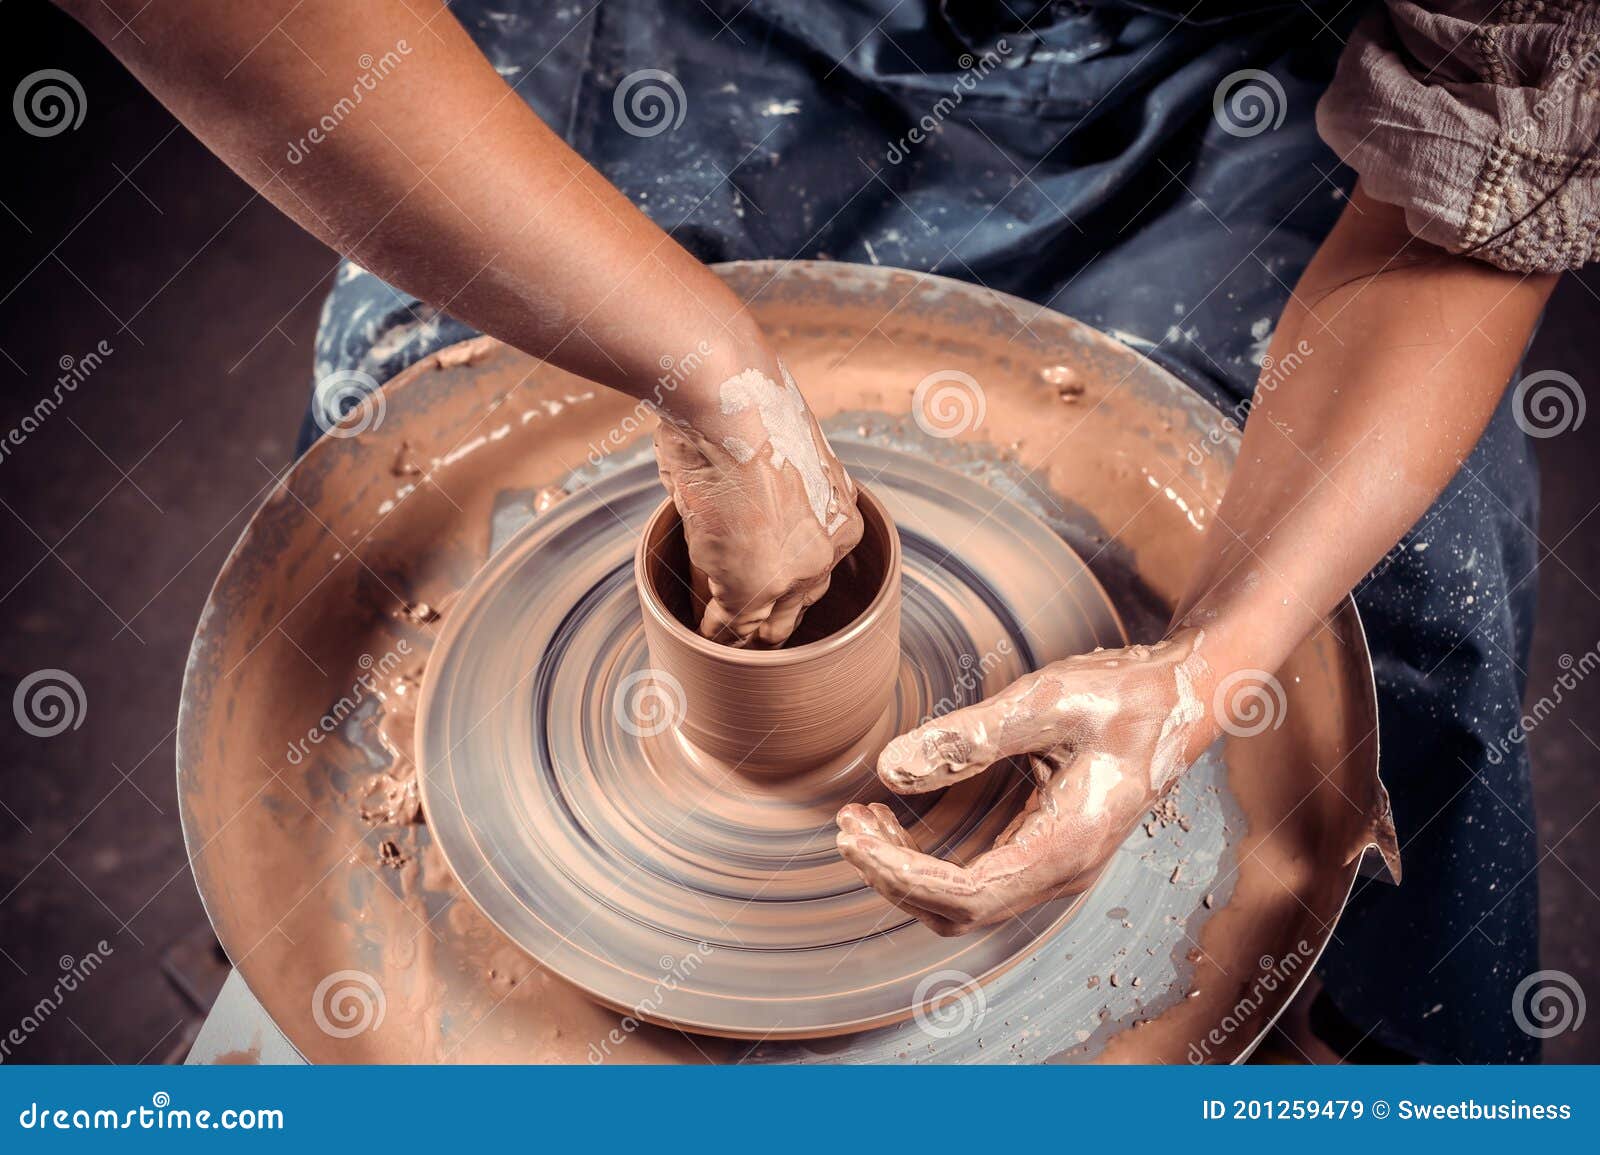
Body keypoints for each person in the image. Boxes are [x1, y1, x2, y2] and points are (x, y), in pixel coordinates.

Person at [61, 0, 1596, 1062]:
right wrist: (703, 369)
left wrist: (1210, 663)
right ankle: (346, 1013)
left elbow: (1467, 190)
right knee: (408, 461)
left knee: (1396, 610)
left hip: (1233, 78)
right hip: (655, 44)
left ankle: (1370, 1071)